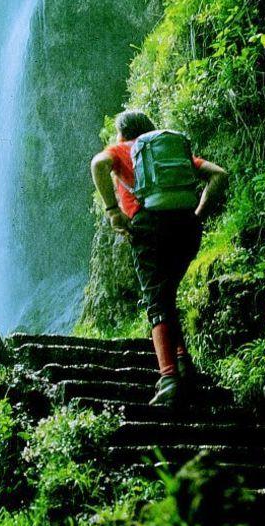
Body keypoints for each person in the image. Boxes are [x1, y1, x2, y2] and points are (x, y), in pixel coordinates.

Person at [90, 109, 227, 407]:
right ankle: (182, 365)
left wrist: (113, 210)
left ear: (123, 133)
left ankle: (168, 380)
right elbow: (218, 175)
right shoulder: (168, 156)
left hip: (150, 229)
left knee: (157, 301)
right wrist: (198, 215)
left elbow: (98, 164)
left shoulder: (124, 149)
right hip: (186, 230)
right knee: (166, 296)